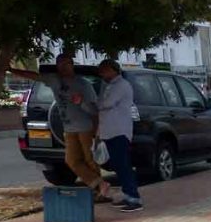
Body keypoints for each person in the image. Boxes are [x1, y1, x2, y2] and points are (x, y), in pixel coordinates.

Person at [8, 52, 110, 201]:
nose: (63, 67)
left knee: (90, 160)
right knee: (72, 160)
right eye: (60, 64)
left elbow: (94, 110)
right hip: (69, 129)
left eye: (66, 64)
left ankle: (100, 192)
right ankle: (99, 184)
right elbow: (34, 76)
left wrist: (83, 106)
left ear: (72, 65)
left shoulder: (83, 84)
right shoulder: (54, 80)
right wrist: (11, 70)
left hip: (85, 128)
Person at [96, 59, 142, 213]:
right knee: (117, 165)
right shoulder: (109, 86)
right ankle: (127, 194)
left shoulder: (121, 86)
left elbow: (107, 103)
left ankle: (134, 198)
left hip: (119, 131)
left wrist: (93, 103)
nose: (101, 73)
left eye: (104, 70)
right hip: (110, 131)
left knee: (123, 165)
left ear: (113, 70)